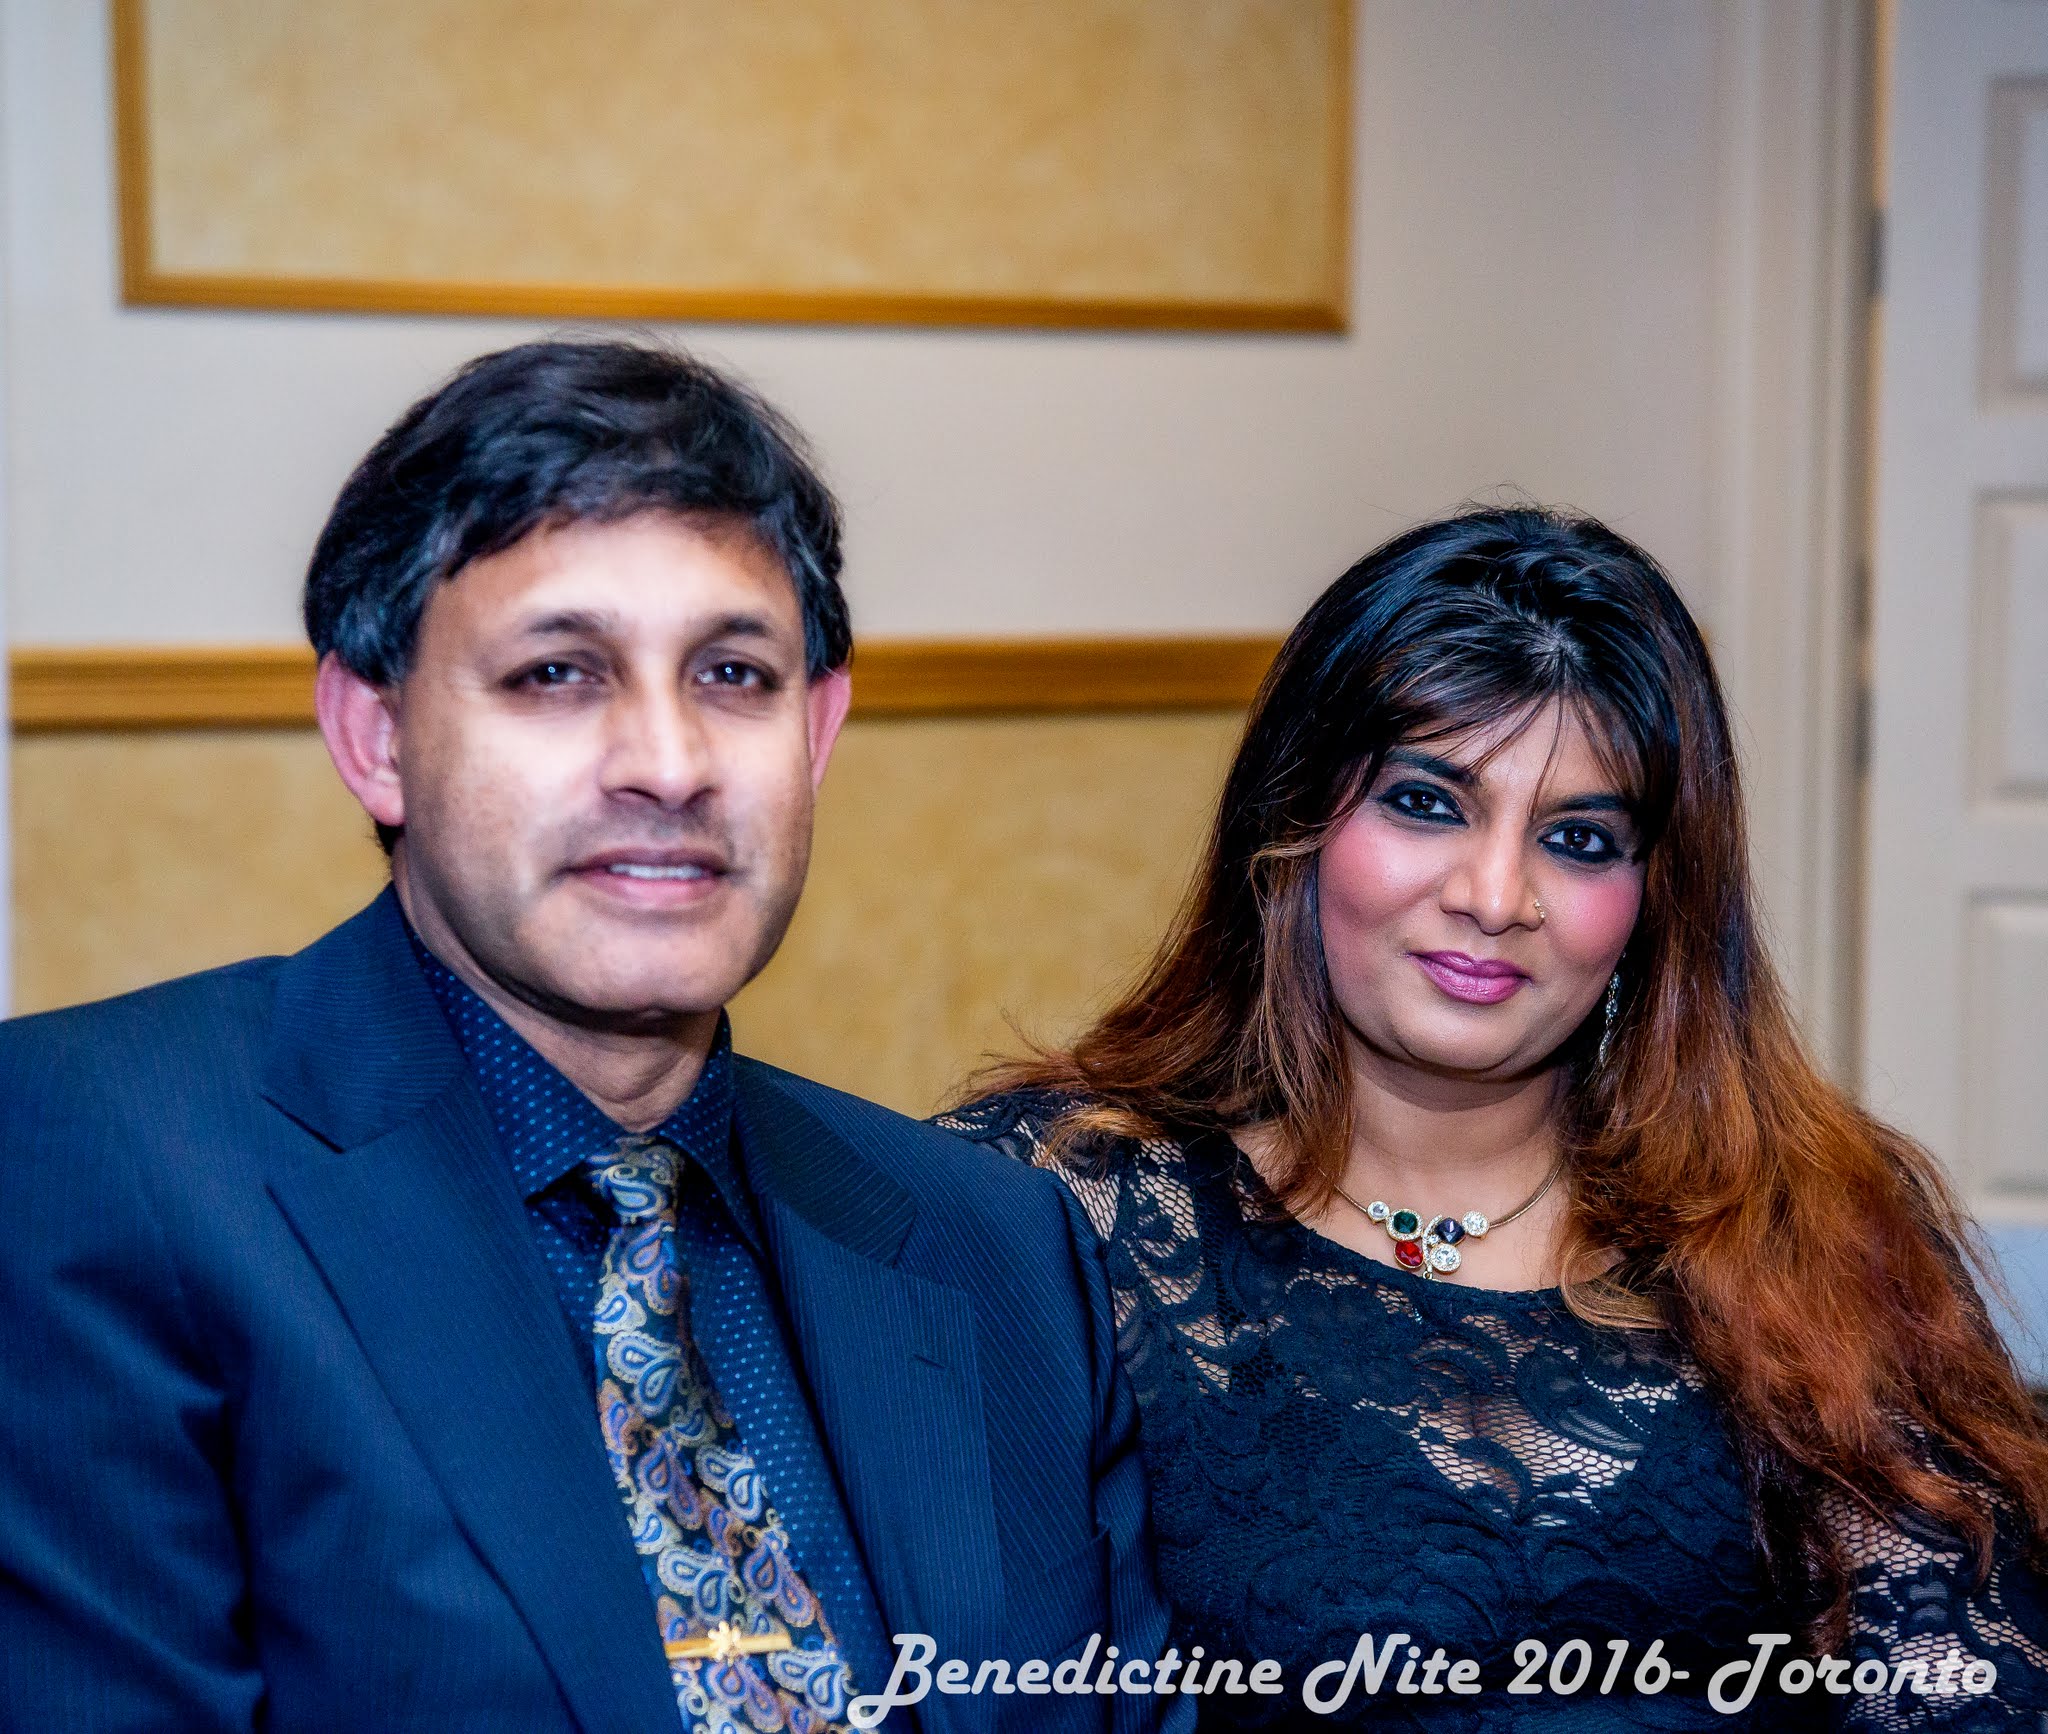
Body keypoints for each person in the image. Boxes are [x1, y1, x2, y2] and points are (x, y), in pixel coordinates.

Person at [0, 339, 1180, 1734]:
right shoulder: (93, 1157)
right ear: (374, 735)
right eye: (558, 672)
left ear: (816, 733)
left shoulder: (997, 1245)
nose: (669, 765)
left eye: (732, 673)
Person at [939, 506, 2048, 1729]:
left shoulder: (1808, 1226)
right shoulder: (1053, 1209)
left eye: (1577, 840)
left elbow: (1964, 1687)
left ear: (1656, 902)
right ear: (1293, 825)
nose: (1494, 895)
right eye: (1426, 803)